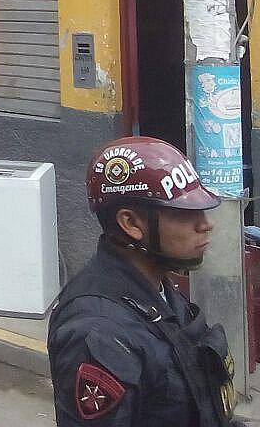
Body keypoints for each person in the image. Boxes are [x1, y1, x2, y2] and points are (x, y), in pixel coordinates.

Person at [47, 136, 237, 427]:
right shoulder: (97, 331)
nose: (204, 225)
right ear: (132, 224)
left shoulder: (159, 292)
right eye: (184, 214)